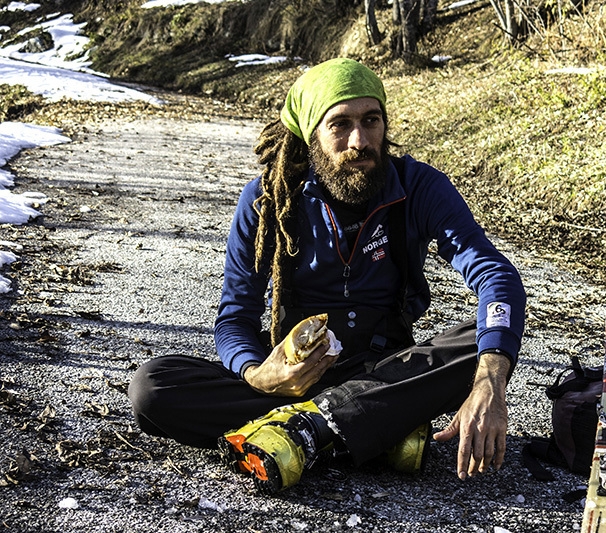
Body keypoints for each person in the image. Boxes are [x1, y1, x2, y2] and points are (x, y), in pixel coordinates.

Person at [128, 57, 525, 495]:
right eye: (340, 124)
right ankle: (368, 429)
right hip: (295, 381)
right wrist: (258, 374)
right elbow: (235, 318)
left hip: (385, 369)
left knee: (485, 343)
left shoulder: (419, 187)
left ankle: (308, 431)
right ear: (311, 134)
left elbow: (496, 276)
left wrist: (490, 378)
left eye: (371, 120)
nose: (360, 140)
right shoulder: (269, 200)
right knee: (153, 389)